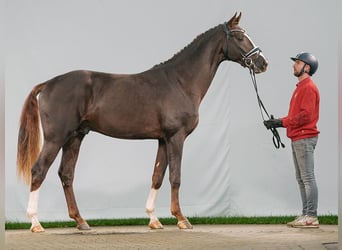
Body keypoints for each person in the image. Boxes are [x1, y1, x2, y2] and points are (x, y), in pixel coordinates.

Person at [264, 52, 320, 228]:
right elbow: (296, 115)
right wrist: (278, 122)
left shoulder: (309, 88)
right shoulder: (300, 88)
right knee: (302, 178)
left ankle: (311, 216)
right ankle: (306, 214)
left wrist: (282, 122)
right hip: (298, 137)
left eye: (297, 63)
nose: (293, 65)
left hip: (305, 137)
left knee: (307, 177)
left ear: (307, 67)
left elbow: (305, 116)